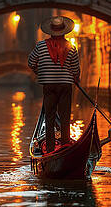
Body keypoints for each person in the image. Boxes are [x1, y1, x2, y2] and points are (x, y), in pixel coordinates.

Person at [28, 16, 80, 153]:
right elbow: (75, 70)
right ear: (64, 31)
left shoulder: (40, 46)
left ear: (50, 31)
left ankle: (50, 149)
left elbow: (31, 62)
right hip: (65, 86)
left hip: (49, 86)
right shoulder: (71, 47)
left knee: (49, 117)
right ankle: (65, 148)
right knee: (65, 117)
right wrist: (75, 78)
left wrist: (40, 71)